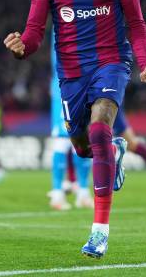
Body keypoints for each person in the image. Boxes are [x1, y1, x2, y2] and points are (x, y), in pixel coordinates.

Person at [4, 0, 146, 257]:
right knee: (82, 145)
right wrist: (21, 47)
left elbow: (136, 22)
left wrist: (145, 61)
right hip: (70, 72)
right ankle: (113, 151)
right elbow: (34, 30)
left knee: (99, 128)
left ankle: (99, 232)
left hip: (110, 61)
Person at [49, 32, 93, 211]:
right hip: (65, 84)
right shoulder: (63, 24)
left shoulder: (86, 21)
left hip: (85, 84)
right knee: (62, 139)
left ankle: (82, 192)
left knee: (84, 138)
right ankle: (57, 193)